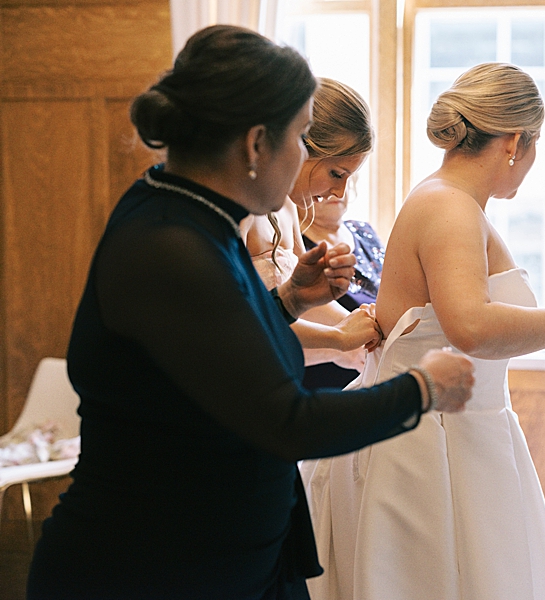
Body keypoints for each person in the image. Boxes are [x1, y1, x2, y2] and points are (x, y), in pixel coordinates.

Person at [25, 25, 474, 600]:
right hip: (148, 566)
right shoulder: (169, 246)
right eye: (302, 137)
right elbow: (286, 422)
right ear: (257, 143)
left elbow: (211, 350)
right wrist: (422, 389)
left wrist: (290, 300)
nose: (305, 161)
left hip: (222, 559)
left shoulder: (193, 219)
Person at [302, 62, 545, 600]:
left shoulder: (453, 200)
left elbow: (445, 320)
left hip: (460, 436)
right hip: (432, 446)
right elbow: (470, 326)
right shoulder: (450, 207)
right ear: (517, 142)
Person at [241, 77, 378, 377]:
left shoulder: (288, 208)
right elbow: (239, 322)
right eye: (336, 173)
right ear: (301, 146)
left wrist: (370, 329)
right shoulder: (242, 212)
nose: (340, 193)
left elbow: (301, 304)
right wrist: (339, 340)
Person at [299, 183, 384, 390]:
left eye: (346, 176)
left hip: (375, 367)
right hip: (328, 380)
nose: (337, 189)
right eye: (333, 174)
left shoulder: (364, 231)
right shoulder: (299, 248)